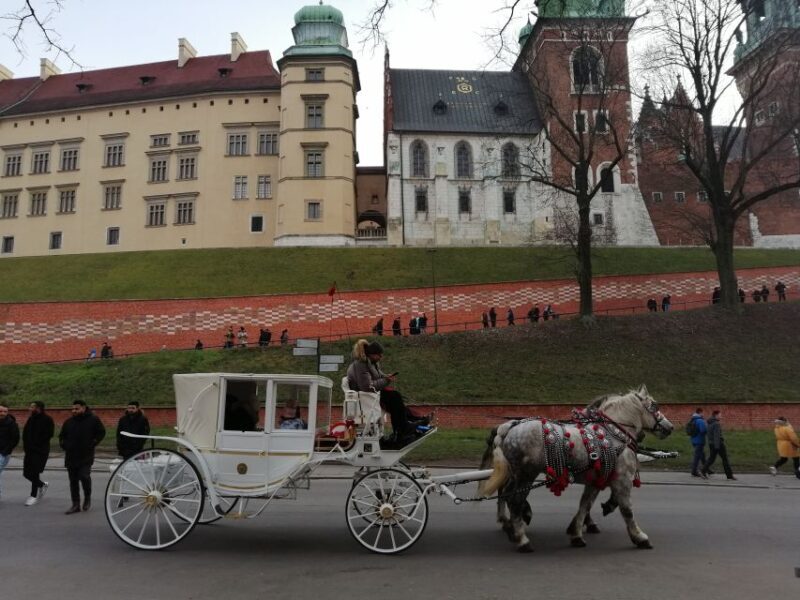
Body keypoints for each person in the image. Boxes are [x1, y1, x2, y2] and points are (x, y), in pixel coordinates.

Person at [346, 340, 428, 446]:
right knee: (394, 397)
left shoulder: (371, 363)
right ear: (372, 354)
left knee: (396, 396)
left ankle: (406, 425)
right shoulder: (360, 365)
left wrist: (386, 376)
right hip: (366, 396)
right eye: (379, 355)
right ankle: (403, 428)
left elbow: (379, 375)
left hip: (372, 394)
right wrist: (386, 380)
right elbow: (366, 387)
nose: (381, 357)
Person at [59, 400, 105, 514]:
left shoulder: (93, 419)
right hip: (71, 456)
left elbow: (101, 432)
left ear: (84, 408)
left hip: (86, 455)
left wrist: (93, 443)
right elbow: (62, 436)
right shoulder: (69, 422)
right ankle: (75, 504)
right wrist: (64, 445)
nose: (74, 411)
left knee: (84, 476)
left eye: (77, 409)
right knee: (73, 481)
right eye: (73, 409)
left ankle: (87, 497)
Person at [22, 401, 54, 506]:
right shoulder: (31, 419)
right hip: (29, 451)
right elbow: (25, 433)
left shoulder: (47, 420)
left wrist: (37, 445)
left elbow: (49, 435)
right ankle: (42, 485)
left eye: (32, 407)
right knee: (26, 473)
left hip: (40, 451)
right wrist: (26, 446)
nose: (30, 409)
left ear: (38, 408)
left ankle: (33, 496)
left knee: (35, 472)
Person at [703, 410, 736, 480]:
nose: (721, 416)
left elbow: (709, 434)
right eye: (720, 415)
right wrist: (717, 446)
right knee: (725, 459)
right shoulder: (716, 424)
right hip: (718, 444)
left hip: (711, 444)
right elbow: (717, 436)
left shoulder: (709, 423)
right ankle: (729, 475)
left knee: (711, 459)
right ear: (716, 415)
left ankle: (703, 471)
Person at [0, 403, 20, 502]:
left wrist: (5, 451)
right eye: (0, 411)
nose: (2, 413)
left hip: (3, 453)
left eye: (5, 411)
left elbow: (15, 439)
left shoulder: (11, 424)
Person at [688, 407, 708, 478]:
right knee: (697, 457)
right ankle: (694, 471)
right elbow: (703, 430)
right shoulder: (700, 420)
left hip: (693, 440)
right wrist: (707, 429)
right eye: (703, 412)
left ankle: (707, 469)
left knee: (702, 455)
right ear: (700, 412)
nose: (703, 414)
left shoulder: (693, 419)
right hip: (700, 441)